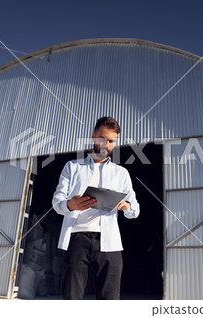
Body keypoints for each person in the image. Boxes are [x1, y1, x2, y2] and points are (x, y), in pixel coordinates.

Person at [52, 116, 140, 300]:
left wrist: (126, 206)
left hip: (110, 243)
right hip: (76, 240)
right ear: (93, 137)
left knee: (108, 302)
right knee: (71, 300)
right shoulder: (72, 167)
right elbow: (57, 202)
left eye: (111, 141)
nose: (106, 144)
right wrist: (70, 204)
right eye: (102, 138)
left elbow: (135, 210)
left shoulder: (121, 173)